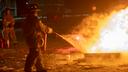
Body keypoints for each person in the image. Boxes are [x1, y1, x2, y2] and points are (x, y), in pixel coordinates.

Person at [22, 4, 53, 72]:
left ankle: (40, 68)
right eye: (36, 11)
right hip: (33, 39)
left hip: (30, 38)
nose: (37, 12)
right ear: (35, 11)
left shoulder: (28, 18)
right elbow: (42, 27)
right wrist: (49, 30)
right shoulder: (34, 19)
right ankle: (27, 69)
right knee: (33, 54)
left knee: (37, 53)